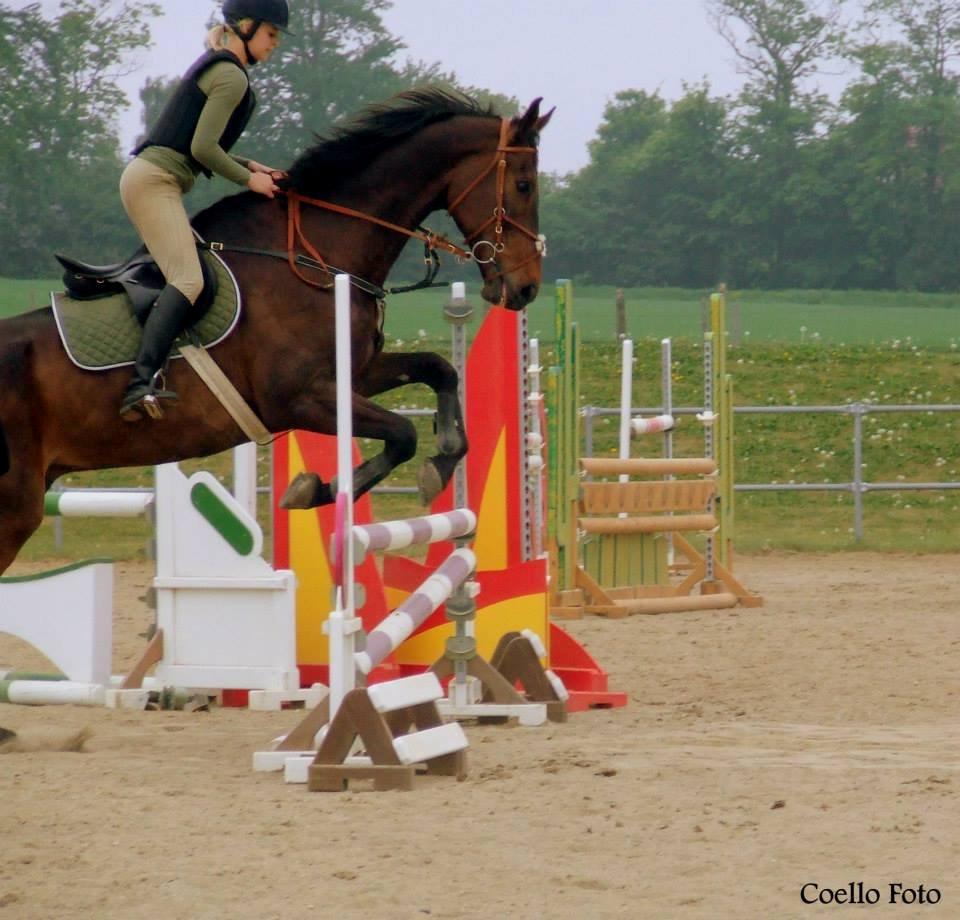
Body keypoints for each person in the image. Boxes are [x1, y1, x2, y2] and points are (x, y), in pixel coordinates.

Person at [117, 0, 291, 421]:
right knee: (189, 279)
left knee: (195, 276)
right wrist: (249, 181)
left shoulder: (222, 67)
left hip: (157, 180)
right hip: (154, 182)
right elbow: (202, 149)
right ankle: (140, 384)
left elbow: (200, 144)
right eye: (271, 35)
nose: (275, 45)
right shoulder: (230, 75)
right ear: (246, 27)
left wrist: (252, 165)